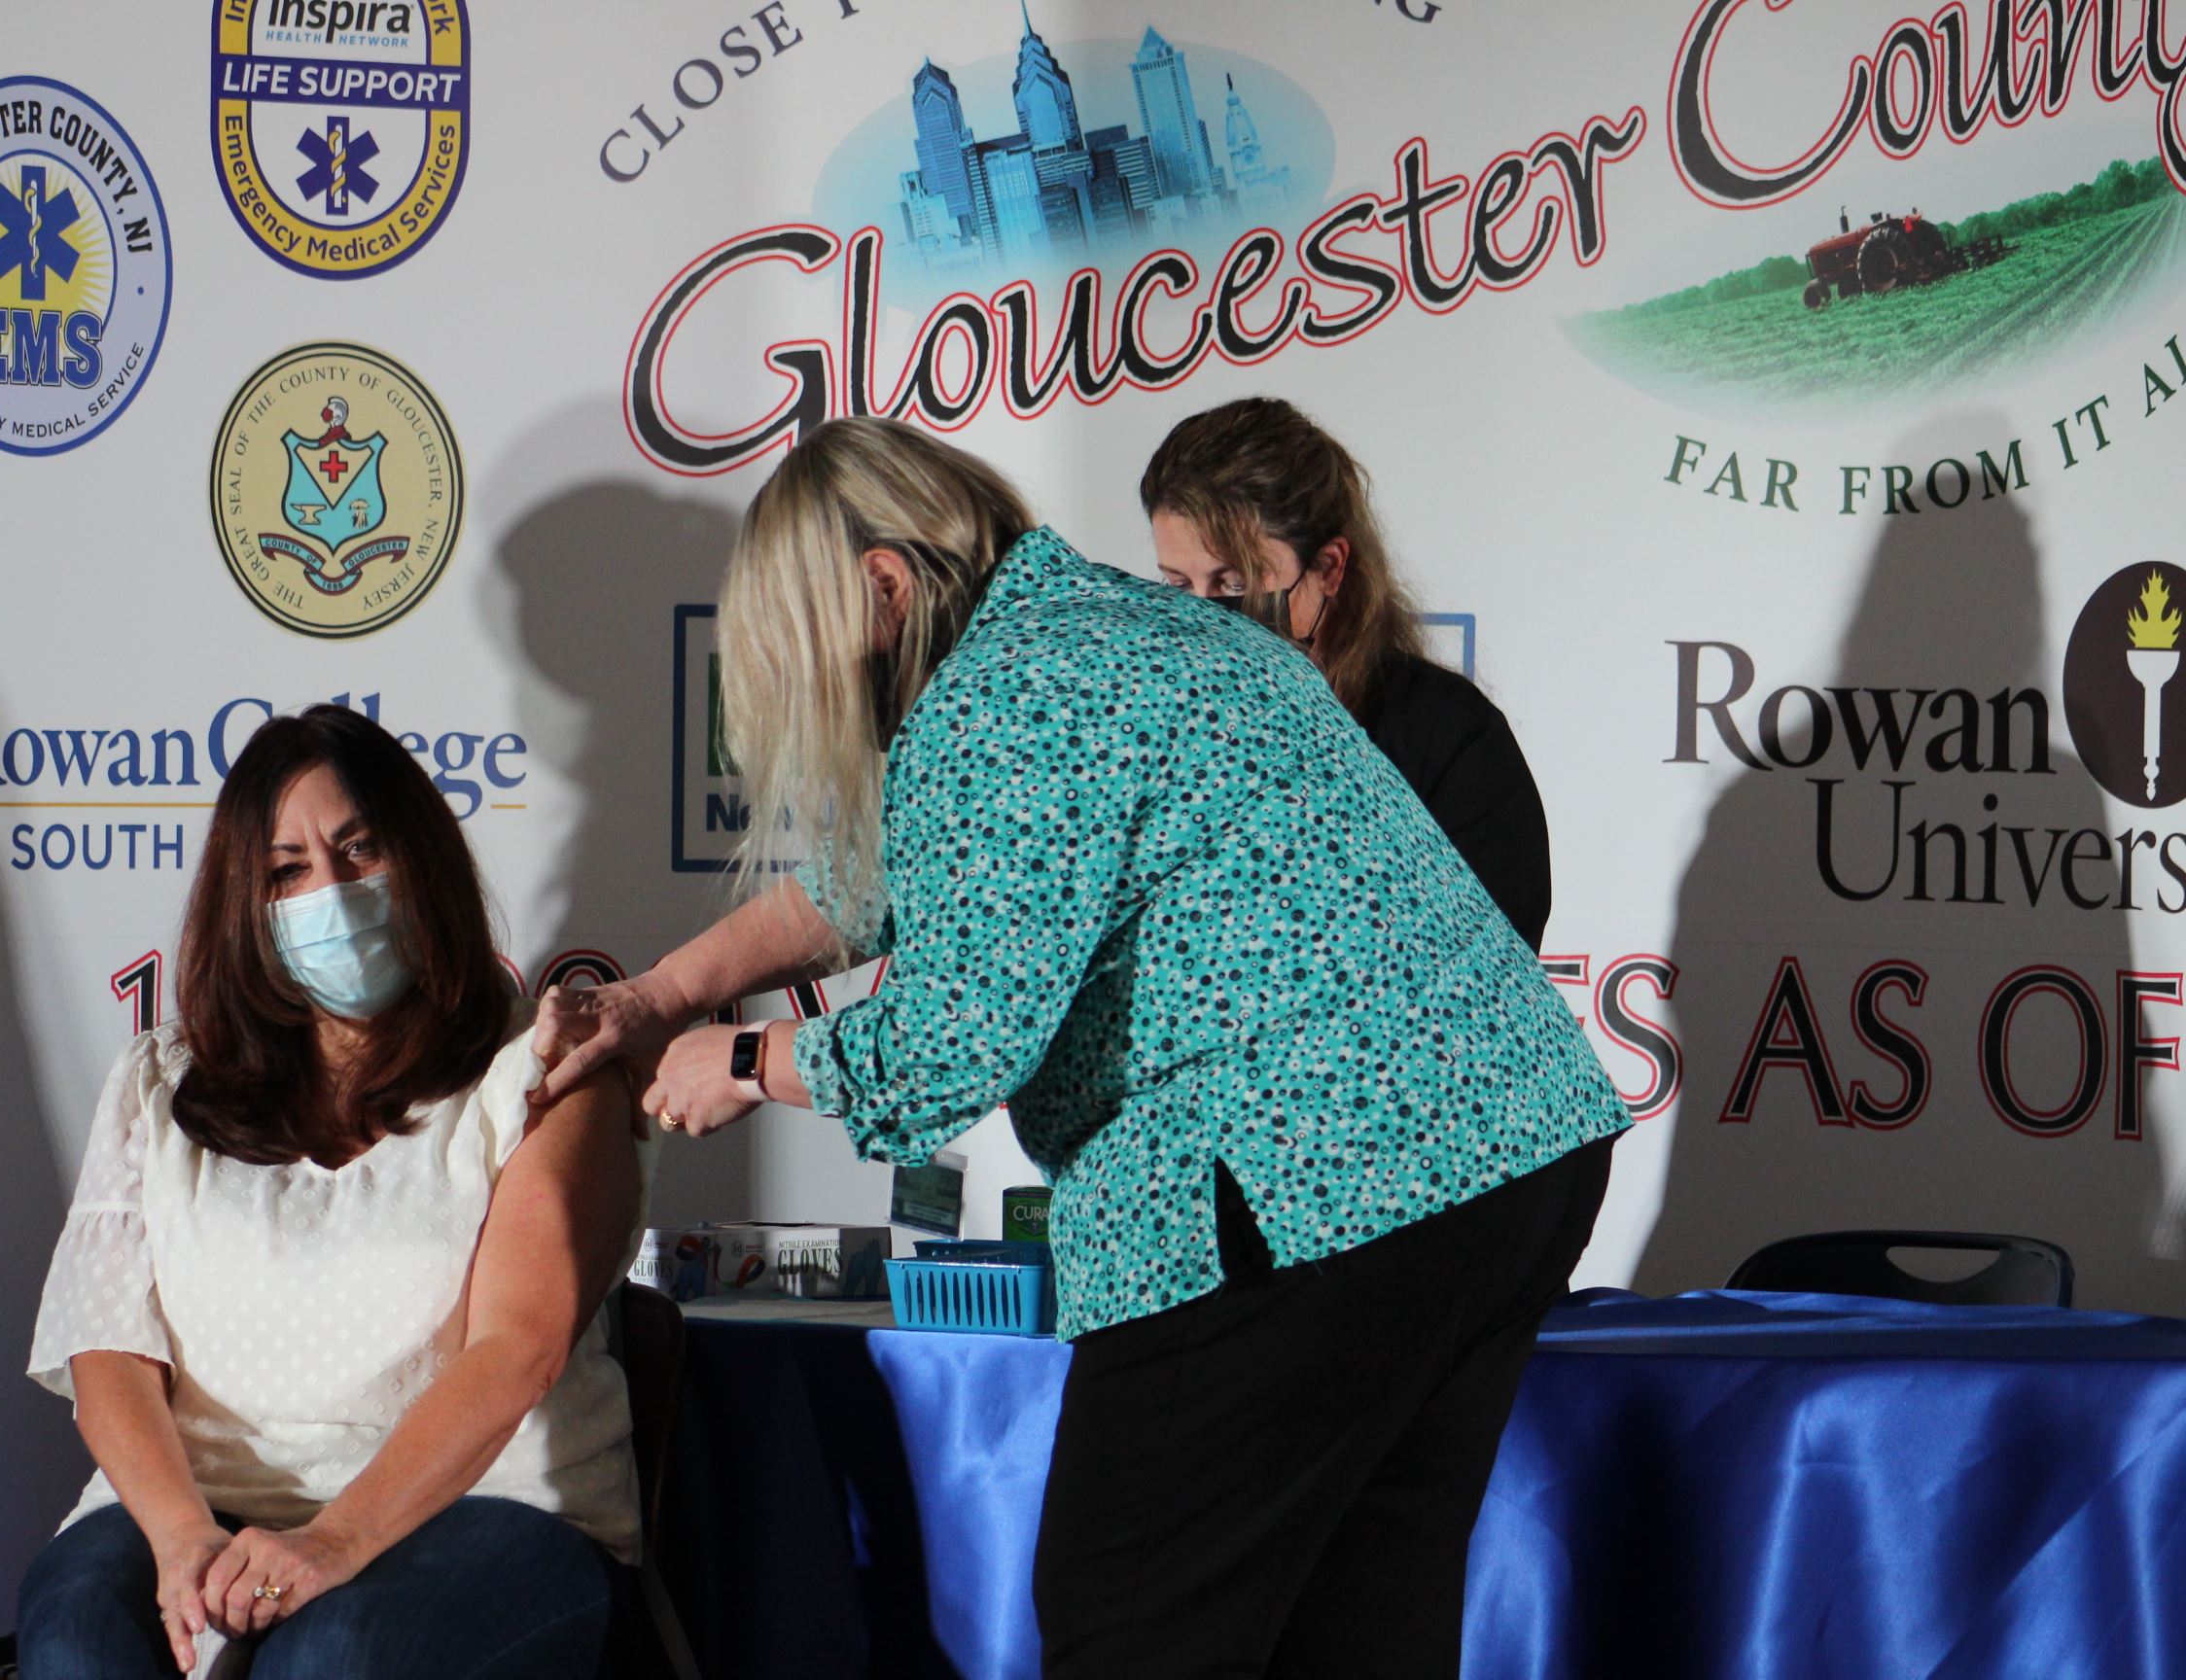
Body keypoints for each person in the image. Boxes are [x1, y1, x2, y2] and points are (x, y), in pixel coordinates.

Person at [535, 417, 1630, 1677]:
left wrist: (742, 1064)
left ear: (884, 587)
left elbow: (949, 1045)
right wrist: (661, 996)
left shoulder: (1005, 697)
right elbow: (871, 878)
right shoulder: (1123, 630)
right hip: (1507, 1157)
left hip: (1300, 1183)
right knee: (1356, 1627)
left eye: (805, 644)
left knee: (1131, 1624)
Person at [17, 706, 645, 1679]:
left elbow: (518, 1349)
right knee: (74, 1639)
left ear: (422, 857)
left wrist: (333, 1541)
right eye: (287, 870)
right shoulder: (160, 1079)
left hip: (492, 1509)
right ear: (246, 903)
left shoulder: (549, 1069)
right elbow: (108, 1351)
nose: (332, 892)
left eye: (360, 850)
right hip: (200, 1505)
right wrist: (182, 1538)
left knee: (334, 1656)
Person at [1142, 395, 1554, 951]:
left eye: (1235, 584)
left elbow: (1489, 970)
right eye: (1176, 585)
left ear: (1330, 568)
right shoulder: (1158, 733)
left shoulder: (1449, 739)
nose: (1202, 619)